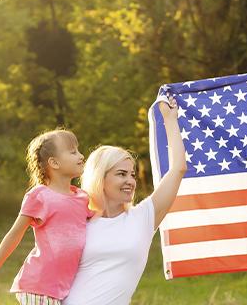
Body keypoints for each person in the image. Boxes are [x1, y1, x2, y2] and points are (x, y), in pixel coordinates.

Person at [62, 97, 186, 305]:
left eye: (132, 175)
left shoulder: (143, 217)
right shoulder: (76, 220)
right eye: (121, 174)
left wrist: (170, 119)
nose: (130, 181)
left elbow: (178, 169)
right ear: (101, 177)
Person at [0, 129, 91, 305]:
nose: (81, 156)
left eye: (78, 150)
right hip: (39, 288)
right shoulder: (40, 195)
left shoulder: (82, 197)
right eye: (73, 152)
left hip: (66, 289)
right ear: (54, 163)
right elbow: (14, 235)